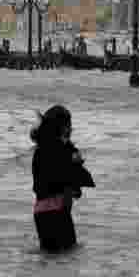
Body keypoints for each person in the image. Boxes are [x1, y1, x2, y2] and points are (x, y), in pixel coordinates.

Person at [30, 105, 95, 252]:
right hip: (57, 211)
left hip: (41, 211)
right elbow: (73, 183)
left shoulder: (41, 151)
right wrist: (76, 164)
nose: (71, 129)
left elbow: (41, 185)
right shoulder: (60, 150)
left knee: (49, 258)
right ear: (62, 127)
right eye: (69, 125)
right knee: (68, 256)